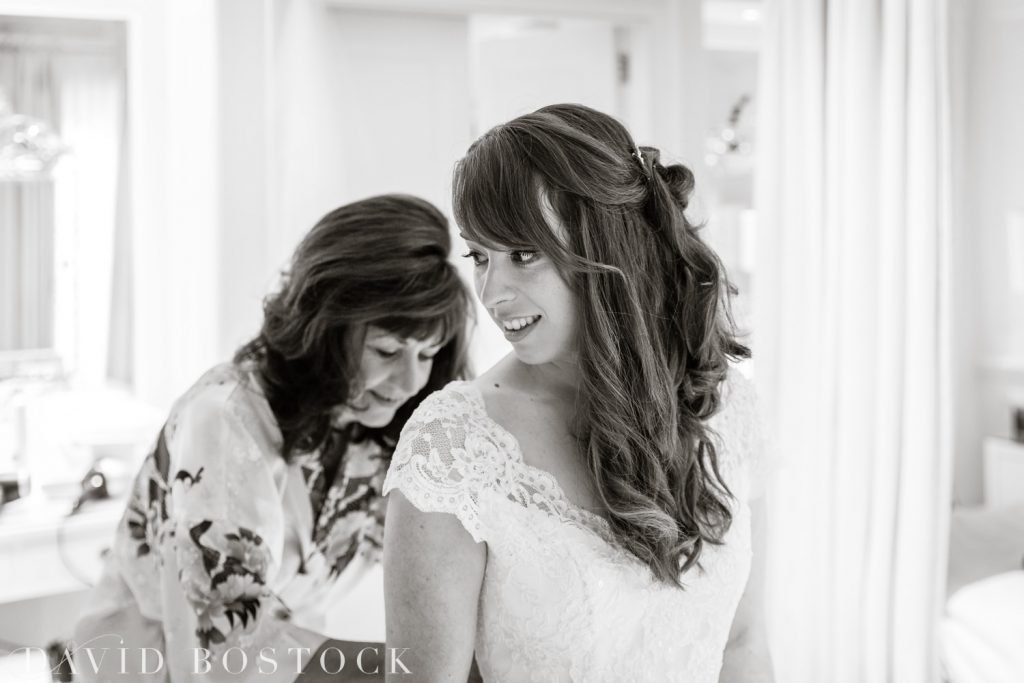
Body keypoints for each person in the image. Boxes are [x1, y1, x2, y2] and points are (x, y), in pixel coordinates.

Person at [382, 104, 774, 682]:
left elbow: (742, 647)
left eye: (523, 254)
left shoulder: (725, 408)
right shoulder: (452, 447)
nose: (493, 292)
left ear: (608, 246)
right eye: (479, 257)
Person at [74, 194, 472, 682]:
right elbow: (225, 642)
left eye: (428, 354)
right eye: (387, 350)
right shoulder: (223, 420)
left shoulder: (373, 425)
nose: (410, 380)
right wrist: (415, 670)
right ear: (325, 326)